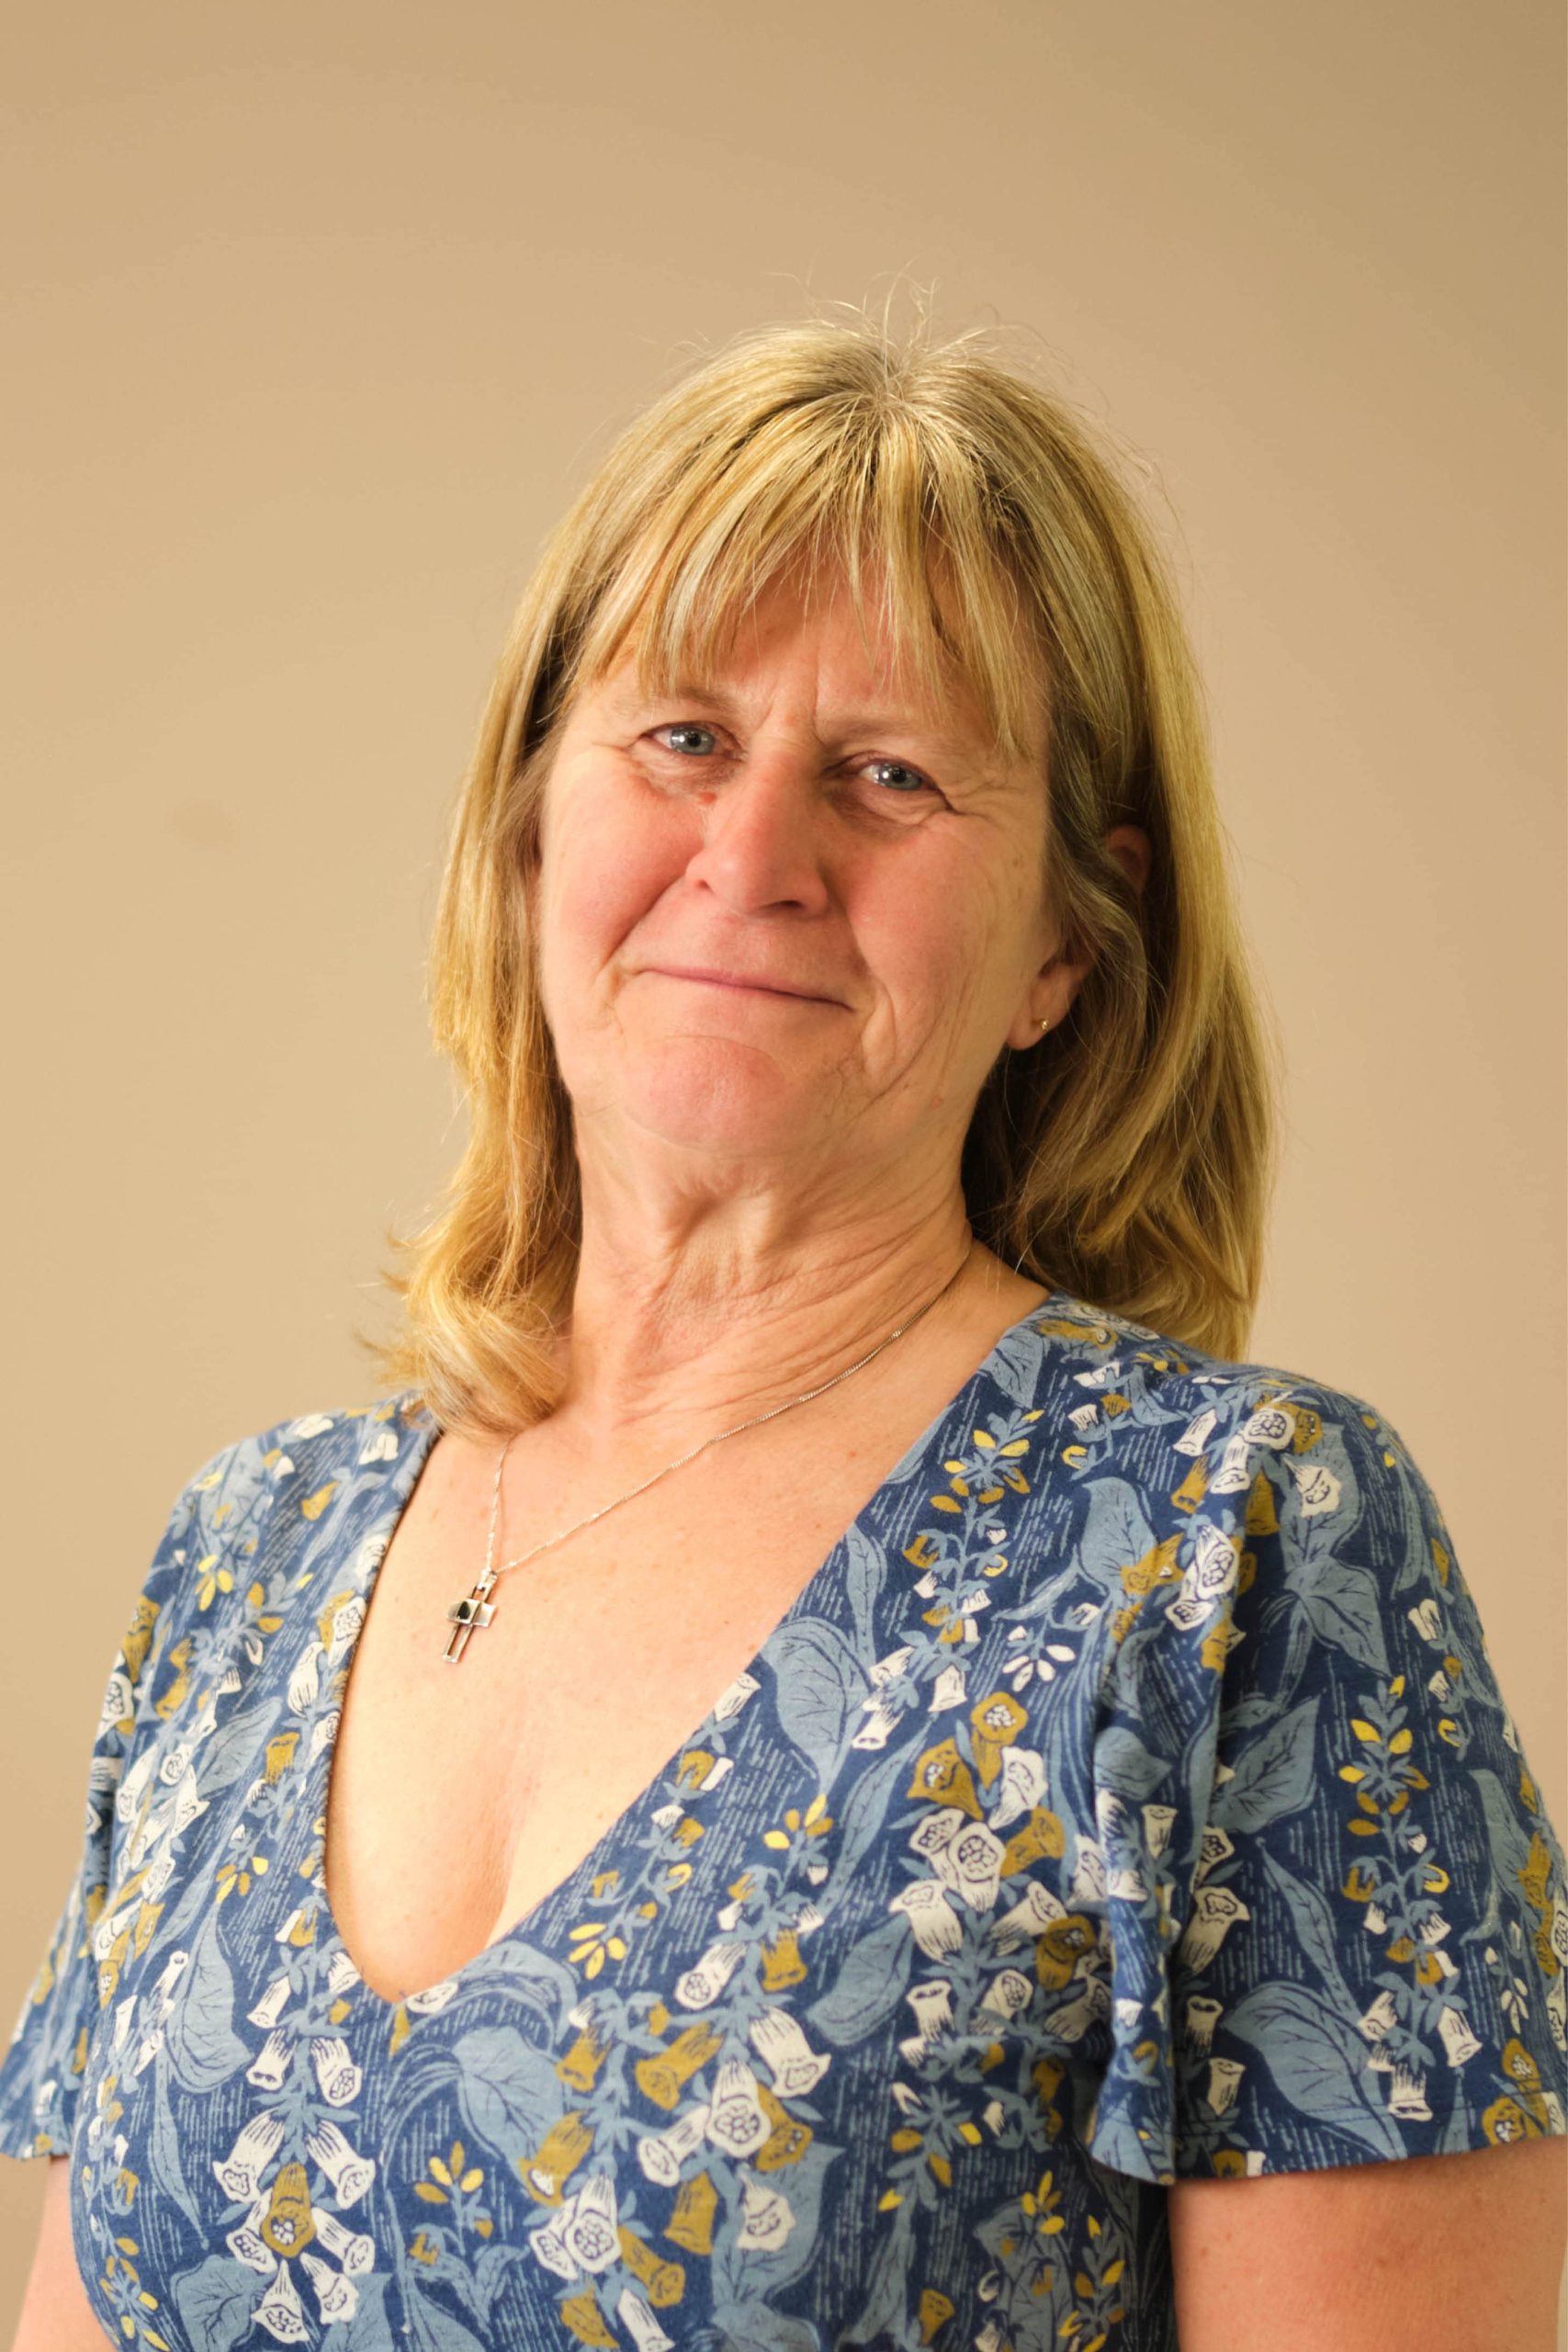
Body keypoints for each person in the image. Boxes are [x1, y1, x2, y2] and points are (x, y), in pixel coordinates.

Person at [4, 314, 1564, 2352]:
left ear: (1062, 951)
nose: (753, 857)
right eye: (677, 740)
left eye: (888, 776)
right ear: (528, 830)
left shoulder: (1223, 1554)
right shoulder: (246, 1555)